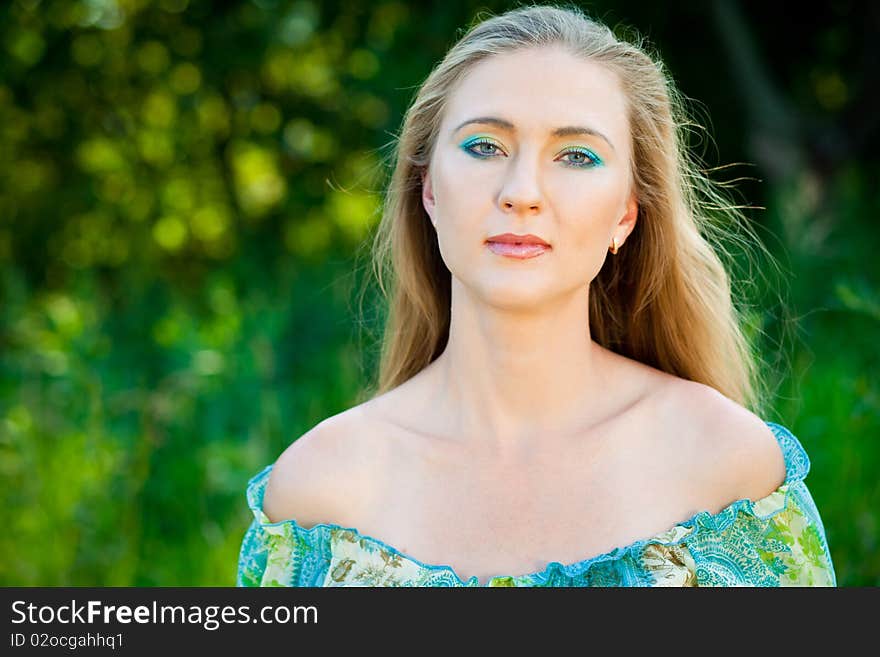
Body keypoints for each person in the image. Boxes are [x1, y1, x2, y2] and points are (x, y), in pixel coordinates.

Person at [236, 4, 837, 587]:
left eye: (576, 156)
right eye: (484, 146)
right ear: (428, 192)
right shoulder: (320, 495)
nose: (521, 191)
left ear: (625, 217)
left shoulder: (728, 470)